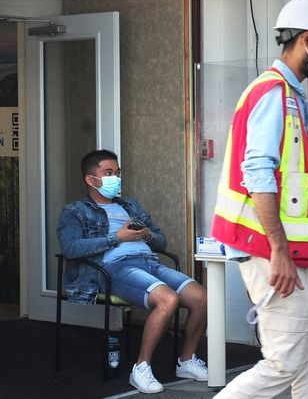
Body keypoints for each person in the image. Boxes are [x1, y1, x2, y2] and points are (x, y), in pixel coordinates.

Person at [212, 0, 308, 399]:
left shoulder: (291, 94)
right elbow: (258, 177)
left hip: (295, 252)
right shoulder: (272, 93)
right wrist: (279, 252)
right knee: (284, 362)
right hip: (272, 252)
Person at [57, 149, 209, 394]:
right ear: (90, 179)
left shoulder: (129, 205)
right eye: (108, 173)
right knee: (167, 299)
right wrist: (116, 237)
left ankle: (187, 360)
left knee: (202, 298)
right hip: (116, 268)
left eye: (117, 173)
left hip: (150, 263)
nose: (115, 178)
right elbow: (71, 248)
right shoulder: (75, 211)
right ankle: (141, 368)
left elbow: (161, 242)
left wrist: (146, 234)